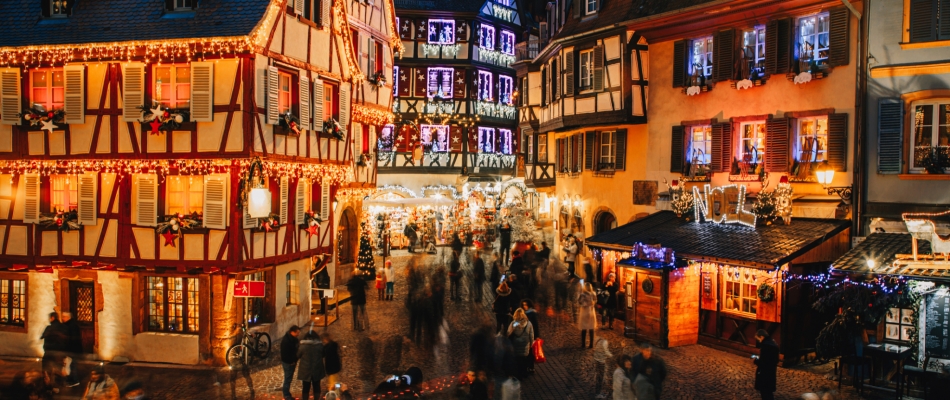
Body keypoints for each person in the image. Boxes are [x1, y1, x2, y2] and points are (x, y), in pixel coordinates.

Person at [297, 331, 327, 400]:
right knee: (316, 386)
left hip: (305, 370)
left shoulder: (303, 346)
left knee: (305, 387)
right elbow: (323, 354)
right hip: (317, 369)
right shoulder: (320, 346)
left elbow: (298, 355)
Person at [507, 308, 535, 379]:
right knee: (524, 360)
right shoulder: (528, 323)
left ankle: (517, 374)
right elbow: (531, 335)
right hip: (525, 345)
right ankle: (524, 374)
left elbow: (508, 333)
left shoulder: (514, 323)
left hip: (515, 345)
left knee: (517, 360)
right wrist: (531, 344)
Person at [41, 312, 67, 386]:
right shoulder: (63, 327)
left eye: (50, 318)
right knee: (58, 369)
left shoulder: (49, 328)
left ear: (52, 318)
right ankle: (58, 385)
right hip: (60, 353)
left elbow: (43, 336)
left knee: (46, 367)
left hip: (50, 351)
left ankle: (47, 384)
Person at [755, 329, 780, 400]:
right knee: (768, 392)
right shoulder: (773, 343)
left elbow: (763, 362)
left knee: (765, 392)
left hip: (764, 373)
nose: (759, 341)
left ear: (762, 336)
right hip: (771, 371)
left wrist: (756, 361)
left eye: (758, 339)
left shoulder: (765, 346)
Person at [279, 326, 301, 400]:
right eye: (297, 333)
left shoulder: (293, 339)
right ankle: (286, 395)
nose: (298, 334)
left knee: (289, 378)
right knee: (287, 379)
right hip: (288, 363)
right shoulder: (286, 341)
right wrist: (291, 361)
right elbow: (285, 354)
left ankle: (287, 393)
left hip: (292, 361)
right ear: (292, 332)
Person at [578, 282, 597, 348]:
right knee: (591, 328)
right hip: (591, 311)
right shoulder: (593, 294)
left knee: (584, 328)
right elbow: (595, 301)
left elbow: (580, 302)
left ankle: (583, 344)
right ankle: (591, 344)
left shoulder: (583, 294)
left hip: (584, 311)